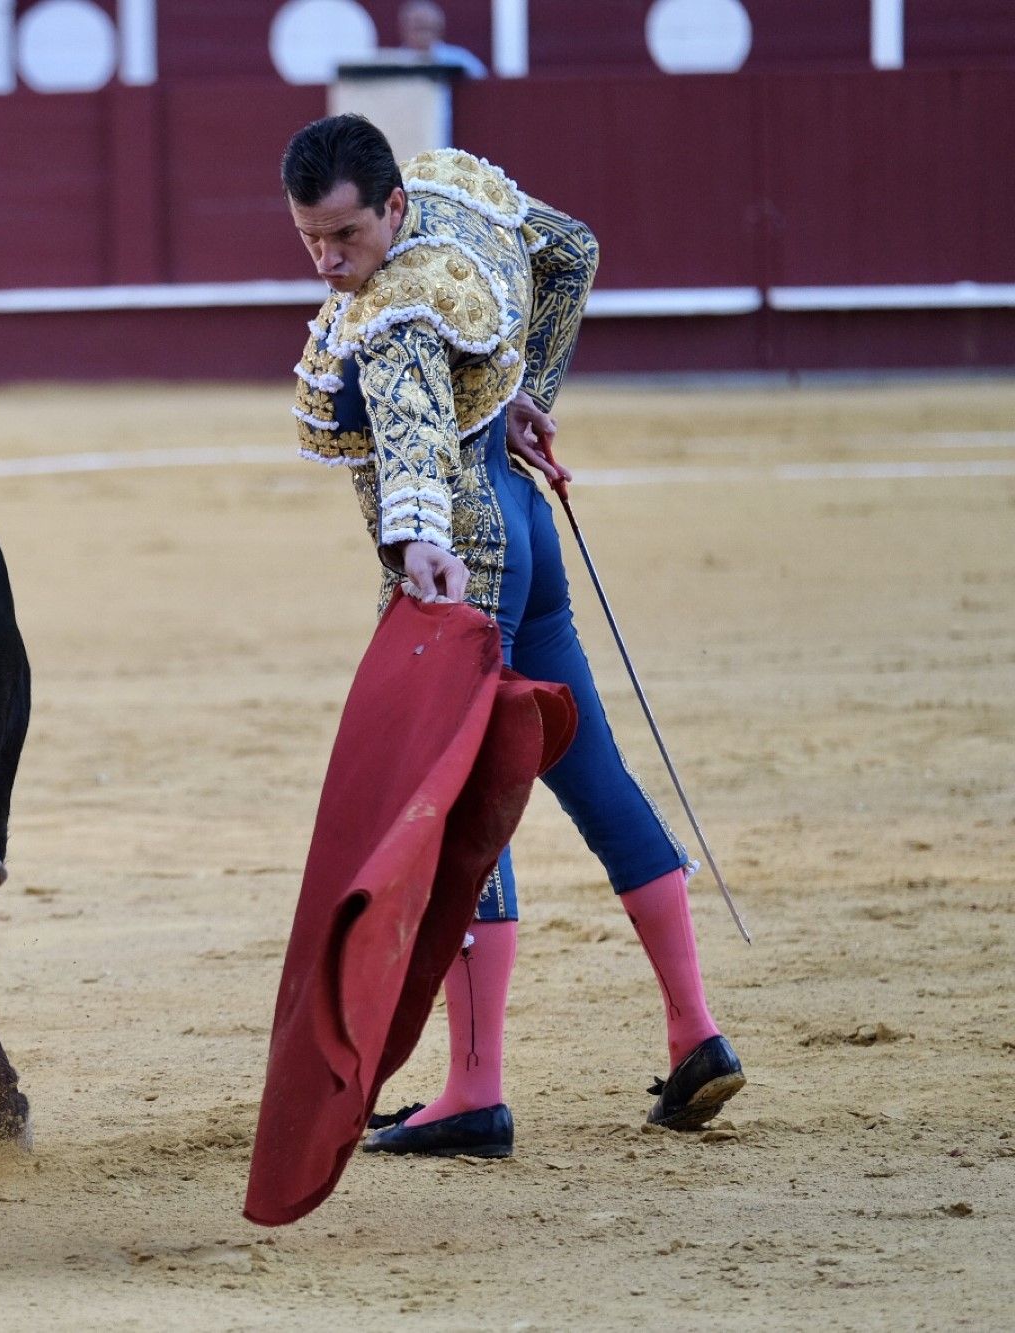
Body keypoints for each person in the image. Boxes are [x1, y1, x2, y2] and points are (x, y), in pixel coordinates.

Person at [282, 114, 743, 1157]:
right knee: (593, 773)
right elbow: (569, 249)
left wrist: (418, 551)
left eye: (344, 235)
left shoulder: (390, 312)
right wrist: (531, 390)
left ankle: (473, 1089)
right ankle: (694, 1032)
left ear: (391, 207)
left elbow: (405, 446)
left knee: (452, 802)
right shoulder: (453, 194)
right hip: (525, 522)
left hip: (464, 555)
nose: (328, 260)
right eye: (309, 238)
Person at [398, 0, 487, 79]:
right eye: (419, 28)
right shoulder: (393, 59)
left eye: (429, 28)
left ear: (440, 31)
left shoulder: (459, 59)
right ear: (404, 28)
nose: (424, 35)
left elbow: (482, 82)